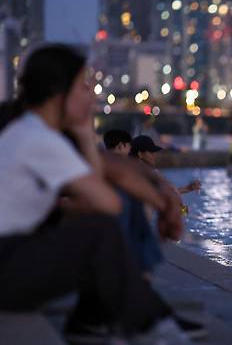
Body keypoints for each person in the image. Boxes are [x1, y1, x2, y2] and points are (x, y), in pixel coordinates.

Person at [0, 44, 195, 342]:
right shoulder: (39, 139)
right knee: (101, 227)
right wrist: (83, 132)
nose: (92, 96)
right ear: (58, 92)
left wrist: (161, 197)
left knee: (98, 220)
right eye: (83, 87)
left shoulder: (28, 132)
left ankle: (106, 317)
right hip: (8, 269)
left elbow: (108, 170)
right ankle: (146, 323)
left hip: (13, 259)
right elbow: (108, 203)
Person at [104, 129, 164, 275]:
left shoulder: (101, 166)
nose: (130, 149)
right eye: (128, 146)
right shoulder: (128, 171)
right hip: (127, 232)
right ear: (120, 146)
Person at [130, 135, 200, 214]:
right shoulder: (151, 173)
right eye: (151, 152)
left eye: (154, 152)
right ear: (140, 154)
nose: (154, 155)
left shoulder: (125, 171)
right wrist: (184, 213)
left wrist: (188, 188)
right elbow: (173, 193)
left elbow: (168, 192)